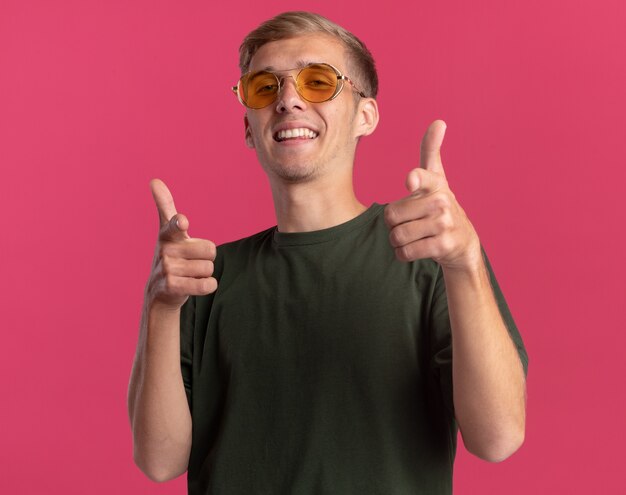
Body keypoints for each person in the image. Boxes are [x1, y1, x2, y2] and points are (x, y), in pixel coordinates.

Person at [127, 11, 528, 495]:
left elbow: (499, 438)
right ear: (249, 129)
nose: (289, 100)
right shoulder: (203, 278)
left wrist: (465, 262)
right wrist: (161, 307)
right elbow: (159, 460)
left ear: (366, 116)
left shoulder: (431, 256)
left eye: (318, 81)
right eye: (264, 87)